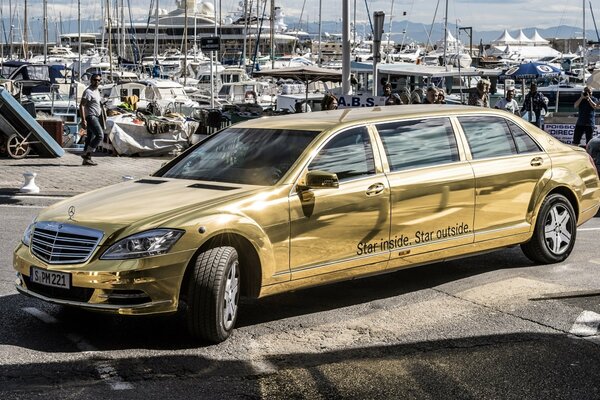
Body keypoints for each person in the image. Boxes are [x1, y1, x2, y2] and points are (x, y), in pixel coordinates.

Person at [79, 73, 104, 166]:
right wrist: (83, 119)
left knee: (89, 138)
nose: (97, 81)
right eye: (95, 80)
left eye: (98, 80)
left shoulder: (96, 91)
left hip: (96, 116)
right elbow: (81, 105)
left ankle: (87, 160)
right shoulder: (88, 91)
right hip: (91, 116)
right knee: (100, 135)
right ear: (91, 80)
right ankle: (86, 154)